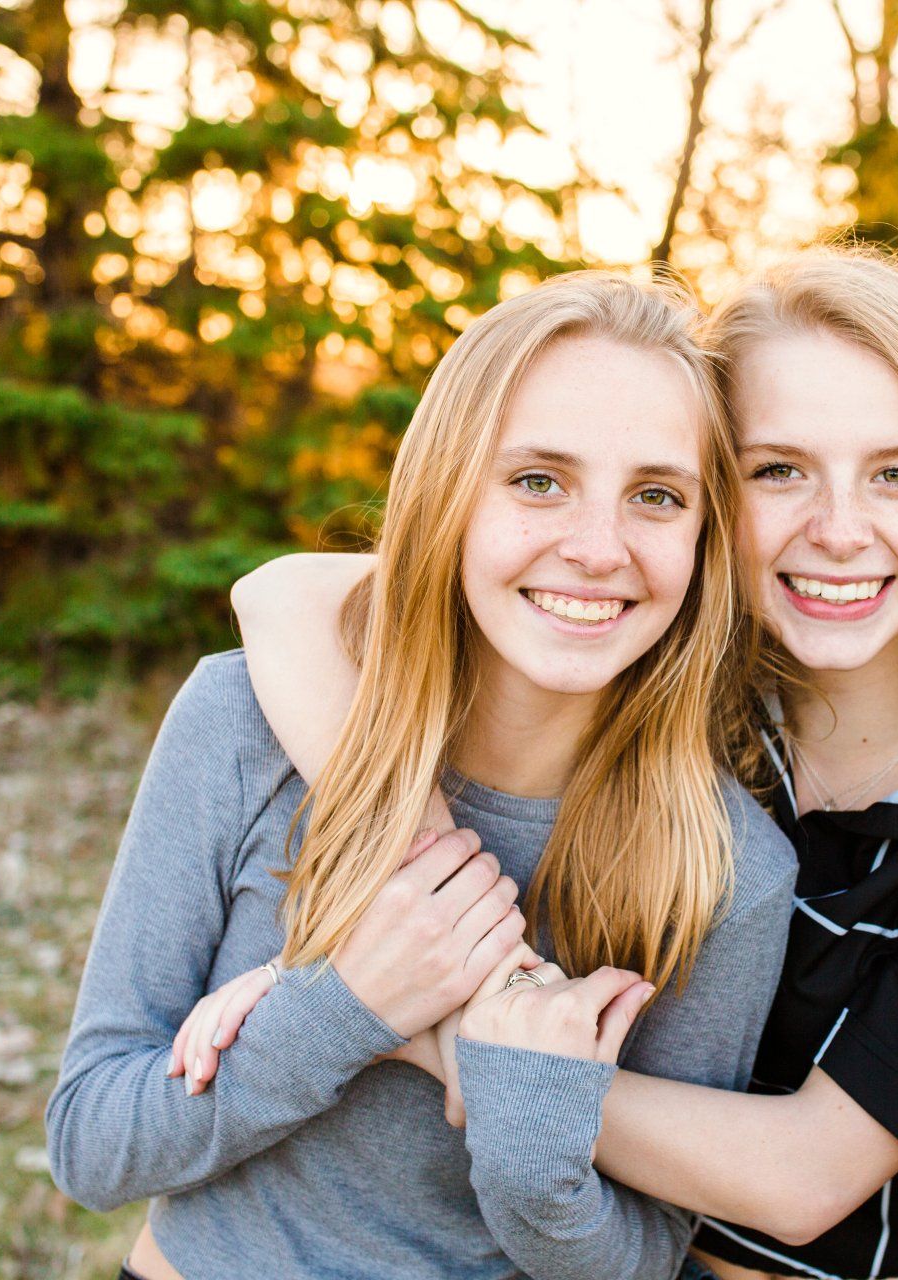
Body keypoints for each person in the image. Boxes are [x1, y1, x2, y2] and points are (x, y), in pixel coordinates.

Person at [204, 247, 898, 1280]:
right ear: (707, 492)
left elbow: (805, 1177)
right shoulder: (686, 691)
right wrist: (457, 913)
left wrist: (445, 1022)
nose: (839, 531)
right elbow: (288, 597)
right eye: (778, 470)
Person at [45, 271, 798, 1280]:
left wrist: (526, 1130)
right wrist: (346, 1003)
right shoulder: (245, 722)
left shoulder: (726, 866)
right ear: (450, 491)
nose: (595, 548)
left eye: (657, 496)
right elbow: (93, 1142)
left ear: (705, 539)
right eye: (539, 479)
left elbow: (654, 1253)